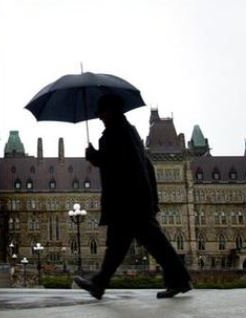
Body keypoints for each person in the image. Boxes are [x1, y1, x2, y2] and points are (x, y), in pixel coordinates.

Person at [74, 95, 192, 300]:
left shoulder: (116, 134)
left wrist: (95, 157)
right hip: (136, 200)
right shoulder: (130, 132)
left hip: (128, 201)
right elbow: (144, 166)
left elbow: (119, 164)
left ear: (111, 112)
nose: (100, 117)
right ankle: (99, 284)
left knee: (142, 244)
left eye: (101, 113)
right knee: (124, 246)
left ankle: (179, 280)